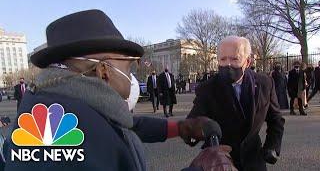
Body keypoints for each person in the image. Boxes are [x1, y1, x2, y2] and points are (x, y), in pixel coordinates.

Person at [3, 10, 235, 171]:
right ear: (104, 71)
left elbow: (121, 125)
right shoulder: (55, 138)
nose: (132, 73)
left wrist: (180, 127)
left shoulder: (59, 103)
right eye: (129, 64)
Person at [187, 36, 285, 171]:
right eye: (223, 59)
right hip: (220, 162)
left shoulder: (265, 83)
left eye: (234, 59)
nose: (228, 64)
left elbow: (276, 120)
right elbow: (192, 123)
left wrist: (272, 146)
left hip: (254, 159)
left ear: (248, 61)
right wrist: (195, 131)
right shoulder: (207, 88)